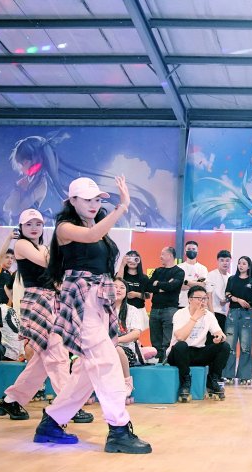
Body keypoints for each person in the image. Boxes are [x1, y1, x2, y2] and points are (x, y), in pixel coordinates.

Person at [32, 176, 151, 454]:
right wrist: (122, 207)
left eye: (97, 199)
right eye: (87, 199)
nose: (94, 204)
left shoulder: (95, 227)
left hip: (99, 298)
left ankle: (52, 422)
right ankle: (119, 430)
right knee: (106, 362)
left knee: (88, 370)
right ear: (72, 200)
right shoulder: (65, 227)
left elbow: (99, 244)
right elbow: (91, 236)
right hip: (81, 298)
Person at [0, 209, 93, 424]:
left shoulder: (45, 248)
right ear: (21, 227)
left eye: (38, 224)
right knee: (57, 354)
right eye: (29, 224)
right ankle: (68, 405)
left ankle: (11, 400)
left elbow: (58, 274)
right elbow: (48, 262)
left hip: (51, 301)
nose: (34, 228)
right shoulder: (22, 245)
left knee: (41, 362)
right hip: (37, 301)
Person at [167, 286, 229, 402]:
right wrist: (195, 317)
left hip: (198, 352)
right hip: (179, 354)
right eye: (199, 298)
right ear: (190, 300)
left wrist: (219, 337)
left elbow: (220, 333)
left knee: (224, 346)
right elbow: (180, 337)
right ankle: (185, 382)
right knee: (181, 345)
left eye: (205, 298)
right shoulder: (180, 314)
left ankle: (213, 380)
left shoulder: (209, 315)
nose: (202, 301)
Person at [223, 256, 252, 384]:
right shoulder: (232, 279)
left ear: (249, 266)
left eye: (244, 263)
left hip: (246, 315)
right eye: (239, 263)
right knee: (230, 346)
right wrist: (238, 300)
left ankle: (244, 376)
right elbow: (227, 294)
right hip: (232, 314)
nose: (241, 265)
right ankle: (228, 375)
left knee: (245, 346)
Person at [148, 247, 185, 363]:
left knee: (167, 341)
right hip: (155, 309)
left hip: (170, 309)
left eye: (162, 254)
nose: (160, 257)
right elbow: (149, 286)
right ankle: (157, 363)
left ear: (170, 256)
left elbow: (172, 286)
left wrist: (157, 283)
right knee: (155, 340)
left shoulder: (179, 272)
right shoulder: (157, 271)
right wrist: (163, 286)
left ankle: (166, 363)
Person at [113, 277, 147, 404]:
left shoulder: (132, 310)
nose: (118, 290)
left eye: (122, 287)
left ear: (126, 292)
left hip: (126, 349)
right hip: (104, 347)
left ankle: (127, 382)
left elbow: (136, 334)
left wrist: (116, 340)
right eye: (115, 287)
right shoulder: (102, 308)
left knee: (117, 349)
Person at [117, 250, 150, 328]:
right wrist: (122, 264)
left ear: (139, 261)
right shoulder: (122, 274)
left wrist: (136, 294)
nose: (132, 261)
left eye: (135, 259)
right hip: (123, 309)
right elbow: (117, 282)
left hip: (139, 310)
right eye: (129, 258)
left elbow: (149, 295)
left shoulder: (144, 278)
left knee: (136, 332)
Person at [177, 240, 208, 309]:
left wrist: (187, 282)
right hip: (181, 304)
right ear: (185, 251)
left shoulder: (203, 268)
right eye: (189, 249)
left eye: (193, 249)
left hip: (198, 304)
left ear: (197, 251)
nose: (191, 251)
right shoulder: (179, 267)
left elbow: (202, 285)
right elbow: (179, 286)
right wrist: (196, 283)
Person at [206, 250, 232, 331]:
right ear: (218, 261)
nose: (225, 263)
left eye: (227, 260)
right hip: (212, 312)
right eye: (222, 260)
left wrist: (226, 300)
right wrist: (212, 314)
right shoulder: (211, 275)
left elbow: (230, 296)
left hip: (224, 314)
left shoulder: (230, 277)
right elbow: (208, 295)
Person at [0, 232, 16, 305]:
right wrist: (9, 238)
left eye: (12, 258)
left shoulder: (12, 274)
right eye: (7, 257)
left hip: (7, 307)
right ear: (2, 259)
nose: (10, 260)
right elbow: (1, 255)